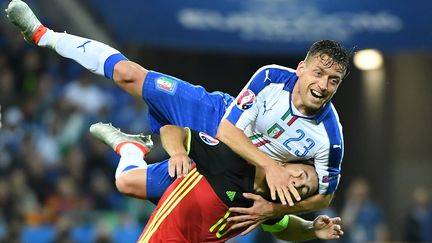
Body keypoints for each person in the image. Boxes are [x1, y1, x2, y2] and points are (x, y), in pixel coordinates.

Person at [6, 0, 351, 230]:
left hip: (233, 174)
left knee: (126, 183)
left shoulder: (330, 138)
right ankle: (44, 35)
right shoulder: (272, 76)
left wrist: (276, 211)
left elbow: (325, 196)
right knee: (130, 75)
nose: (323, 85)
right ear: (301, 68)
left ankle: (130, 148)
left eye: (333, 80)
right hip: (217, 116)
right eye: (318, 73)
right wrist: (272, 166)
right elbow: (228, 129)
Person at [89, 122, 344, 242]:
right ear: (288, 162)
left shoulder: (266, 206)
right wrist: (178, 153)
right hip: (186, 182)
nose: (299, 181)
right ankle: (132, 148)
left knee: (125, 182)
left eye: (303, 188)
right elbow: (171, 130)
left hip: (192, 202)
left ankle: (130, 148)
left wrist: (312, 229)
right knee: (124, 183)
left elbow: (286, 226)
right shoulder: (231, 161)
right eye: (303, 173)